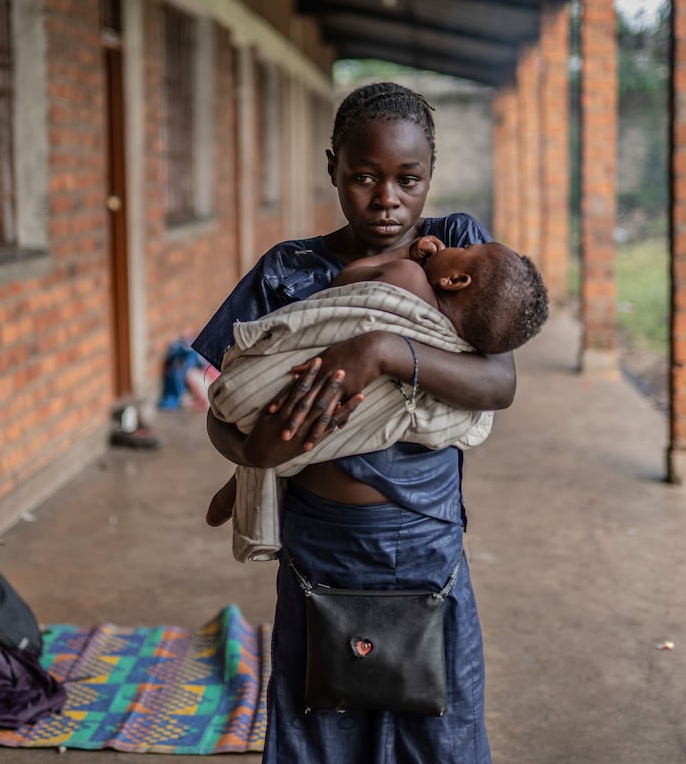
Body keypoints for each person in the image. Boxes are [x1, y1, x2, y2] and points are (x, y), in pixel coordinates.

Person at [194, 81, 518, 762]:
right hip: (319, 549)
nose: (387, 198)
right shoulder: (289, 271)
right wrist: (254, 451)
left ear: (431, 173)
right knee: (321, 724)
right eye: (364, 176)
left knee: (440, 726)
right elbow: (225, 403)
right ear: (331, 169)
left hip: (424, 546)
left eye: (409, 178)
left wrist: (384, 350)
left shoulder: (456, 247)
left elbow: (497, 381)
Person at [202, 232, 548, 551]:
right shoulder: (458, 354)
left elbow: (347, 278)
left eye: (465, 249)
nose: (387, 199)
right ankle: (252, 477)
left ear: (455, 280)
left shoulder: (408, 275)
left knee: (312, 404)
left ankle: (247, 475)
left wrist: (405, 254)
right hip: (399, 517)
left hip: (261, 395)